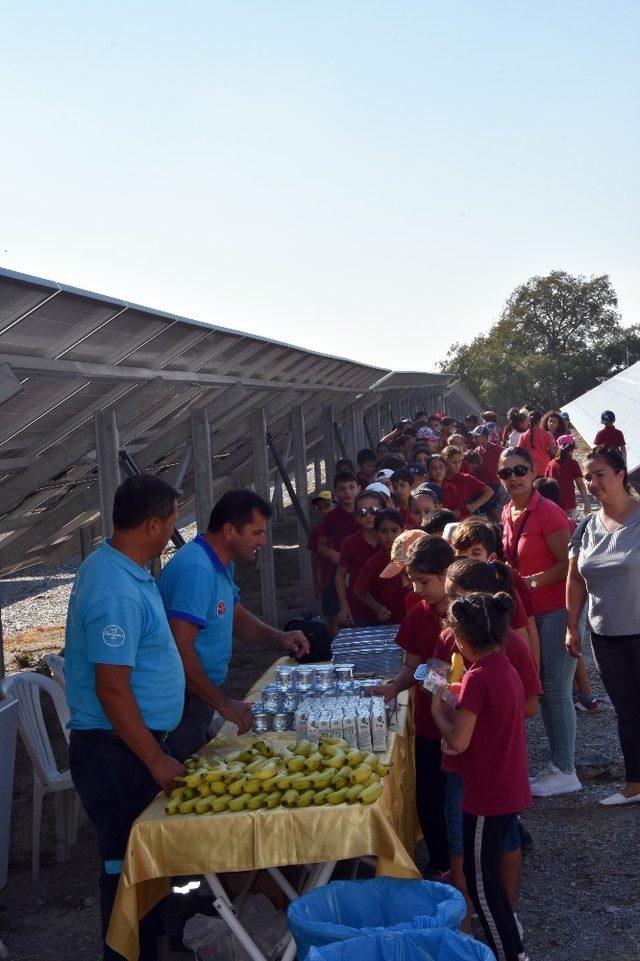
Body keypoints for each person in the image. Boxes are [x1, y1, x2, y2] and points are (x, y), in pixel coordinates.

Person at [65, 475, 187, 961]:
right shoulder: (114, 585)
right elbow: (112, 690)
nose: (173, 532)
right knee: (124, 872)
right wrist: (155, 758)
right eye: (172, 523)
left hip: (131, 746)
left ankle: (150, 950)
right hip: (116, 754)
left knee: (145, 869)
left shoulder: (127, 570)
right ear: (153, 524)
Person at [159, 490, 309, 762]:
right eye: (256, 533)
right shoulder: (197, 571)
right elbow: (181, 649)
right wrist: (223, 703)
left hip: (199, 696)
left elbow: (235, 617)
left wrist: (280, 638)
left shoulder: (219, 565)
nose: (262, 541)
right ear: (229, 531)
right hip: (184, 699)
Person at [435, 563, 541, 934]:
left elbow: (530, 705)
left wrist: (458, 707)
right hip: (472, 768)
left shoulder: (504, 649)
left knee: (499, 841)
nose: (448, 605)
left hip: (488, 767)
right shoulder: (459, 638)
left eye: (455, 596)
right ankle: (468, 920)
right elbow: (434, 671)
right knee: (461, 839)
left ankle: (504, 918)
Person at [370, 536, 455, 877]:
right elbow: (414, 665)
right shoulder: (418, 615)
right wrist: (394, 687)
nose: (417, 590)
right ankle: (440, 861)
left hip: (466, 723)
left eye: (424, 582)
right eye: (413, 581)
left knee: (465, 799)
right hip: (431, 725)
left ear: (448, 574)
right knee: (430, 798)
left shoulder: (470, 612)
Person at [499, 446, 579, 797]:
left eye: (519, 471)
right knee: (544, 687)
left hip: (556, 609)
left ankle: (566, 769)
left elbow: (569, 565)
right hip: (531, 613)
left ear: (533, 473)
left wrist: (528, 582)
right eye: (506, 473)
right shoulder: (508, 512)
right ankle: (558, 764)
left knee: (557, 688)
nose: (513, 478)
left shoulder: (548, 513)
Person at [566, 445, 640, 806]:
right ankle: (635, 784)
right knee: (626, 711)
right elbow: (575, 580)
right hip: (606, 636)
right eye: (588, 476)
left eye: (600, 475)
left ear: (621, 475)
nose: (593, 482)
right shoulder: (586, 526)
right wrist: (571, 626)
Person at [451, 517, 539, 668]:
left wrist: (533, 673)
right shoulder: (452, 589)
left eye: (476, 553)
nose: (469, 560)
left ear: (491, 558)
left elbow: (527, 632)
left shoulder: (505, 585)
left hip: (504, 672)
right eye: (463, 555)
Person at [317, 470, 360, 634]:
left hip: (363, 565)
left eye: (351, 487)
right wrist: (334, 554)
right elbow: (320, 546)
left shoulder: (366, 512)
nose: (347, 492)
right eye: (342, 489)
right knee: (335, 614)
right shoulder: (332, 517)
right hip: (342, 569)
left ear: (359, 488)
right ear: (335, 491)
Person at [335, 489, 385, 625]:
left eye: (373, 510)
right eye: (362, 512)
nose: (368, 516)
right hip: (358, 610)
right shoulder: (350, 543)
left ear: (384, 512)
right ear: (356, 517)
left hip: (389, 609)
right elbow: (340, 575)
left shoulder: (392, 540)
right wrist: (344, 606)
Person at [353, 509, 407, 624]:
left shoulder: (413, 556)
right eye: (383, 531)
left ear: (403, 530)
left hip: (414, 616)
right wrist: (378, 608)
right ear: (376, 533)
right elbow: (358, 590)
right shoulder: (375, 561)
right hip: (390, 621)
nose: (389, 536)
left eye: (394, 530)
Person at [442, 445, 493, 520]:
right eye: (454, 462)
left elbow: (489, 491)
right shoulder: (439, 480)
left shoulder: (466, 478)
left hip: (464, 520)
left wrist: (474, 505)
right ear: (445, 462)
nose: (457, 465)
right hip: (444, 519)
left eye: (459, 461)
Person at [544, 434, 590, 516]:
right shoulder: (572, 463)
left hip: (552, 504)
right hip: (568, 503)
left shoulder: (551, 464)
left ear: (558, 447)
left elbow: (545, 482)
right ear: (572, 448)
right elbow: (580, 484)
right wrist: (586, 502)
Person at [307, 490, 335, 602]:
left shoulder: (348, 525)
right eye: (319, 508)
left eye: (327, 506)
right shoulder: (317, 531)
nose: (324, 511)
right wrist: (316, 583)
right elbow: (314, 557)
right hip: (327, 581)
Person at [517, 409, 556, 478]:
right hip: (545, 468)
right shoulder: (546, 434)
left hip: (530, 469)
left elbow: (519, 453)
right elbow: (553, 451)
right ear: (539, 421)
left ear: (528, 421)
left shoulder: (523, 436)